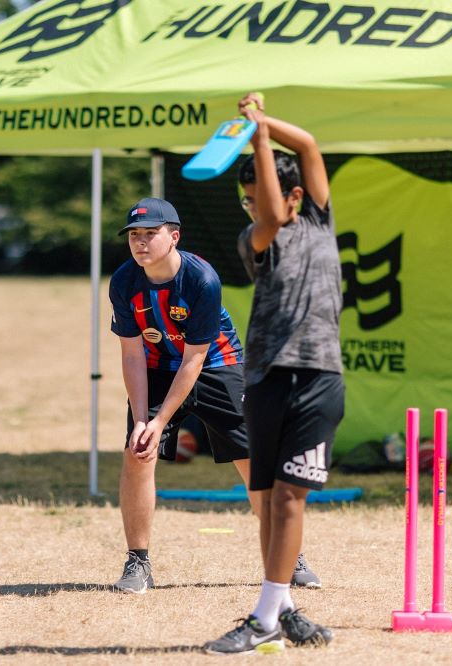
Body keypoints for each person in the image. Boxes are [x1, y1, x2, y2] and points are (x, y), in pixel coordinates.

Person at [109, 197, 322, 594]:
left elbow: (194, 360)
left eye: (150, 234)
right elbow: (132, 354)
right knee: (136, 453)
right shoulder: (124, 281)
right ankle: (137, 563)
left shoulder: (200, 279)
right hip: (155, 368)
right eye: (134, 235)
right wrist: (142, 421)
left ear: (173, 237)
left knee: (253, 463)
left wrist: (160, 421)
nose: (141, 243)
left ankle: (288, 556)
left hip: (215, 366)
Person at [203, 93, 345, 654]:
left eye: (258, 194)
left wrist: (262, 128)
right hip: (264, 379)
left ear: (296, 195)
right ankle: (282, 607)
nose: (251, 207)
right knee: (265, 496)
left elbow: (306, 144)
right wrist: (258, 138)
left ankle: (263, 618)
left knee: (288, 497)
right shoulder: (256, 239)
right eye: (244, 201)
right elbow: (265, 217)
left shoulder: (319, 219)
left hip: (316, 377)